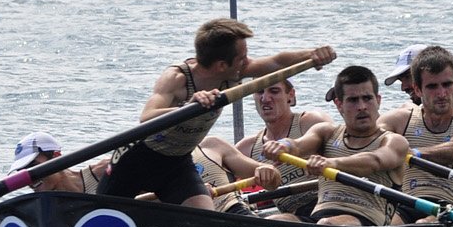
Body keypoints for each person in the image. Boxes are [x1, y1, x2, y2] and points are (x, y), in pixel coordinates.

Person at [99, 18, 334, 210]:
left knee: (203, 216)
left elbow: (276, 62)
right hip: (135, 160)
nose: (248, 62)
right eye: (242, 58)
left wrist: (311, 55)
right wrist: (188, 106)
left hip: (176, 163)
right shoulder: (177, 78)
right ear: (222, 64)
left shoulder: (232, 74)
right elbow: (148, 116)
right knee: (101, 216)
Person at [265, 64, 409, 226]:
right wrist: (283, 146)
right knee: (274, 221)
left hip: (367, 224)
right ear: (339, 105)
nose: (362, 106)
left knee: (327, 224)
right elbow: (298, 145)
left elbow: (375, 161)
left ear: (378, 100)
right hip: (319, 218)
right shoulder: (326, 132)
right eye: (353, 100)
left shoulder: (394, 141)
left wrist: (331, 163)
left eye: (367, 98)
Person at [381, 45, 453, 218]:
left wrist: (410, 153)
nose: (441, 93)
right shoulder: (399, 120)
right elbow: (367, 141)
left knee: (423, 224)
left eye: (447, 84)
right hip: (407, 204)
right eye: (432, 87)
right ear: (418, 89)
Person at [236, 77, 331, 219]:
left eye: (274, 91)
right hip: (294, 217)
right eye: (259, 92)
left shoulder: (310, 122)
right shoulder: (247, 147)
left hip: (326, 206)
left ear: (290, 96)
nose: (265, 98)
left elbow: (342, 147)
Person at [193, 136, 280, 214]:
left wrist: (269, 172)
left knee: (286, 219)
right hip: (191, 224)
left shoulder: (212, 145)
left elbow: (274, 181)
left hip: (235, 212)